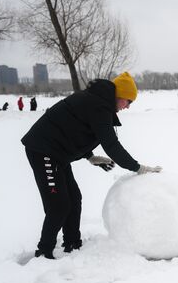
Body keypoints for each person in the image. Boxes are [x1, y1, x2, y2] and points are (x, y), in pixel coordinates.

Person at [21, 72, 162, 260]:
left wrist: (89, 156)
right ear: (120, 96)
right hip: (43, 151)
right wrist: (137, 167)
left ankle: (72, 242)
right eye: (128, 101)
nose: (127, 107)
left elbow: (72, 130)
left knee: (74, 198)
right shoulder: (98, 105)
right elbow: (111, 144)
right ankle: (44, 251)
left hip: (57, 153)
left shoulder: (97, 102)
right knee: (59, 205)